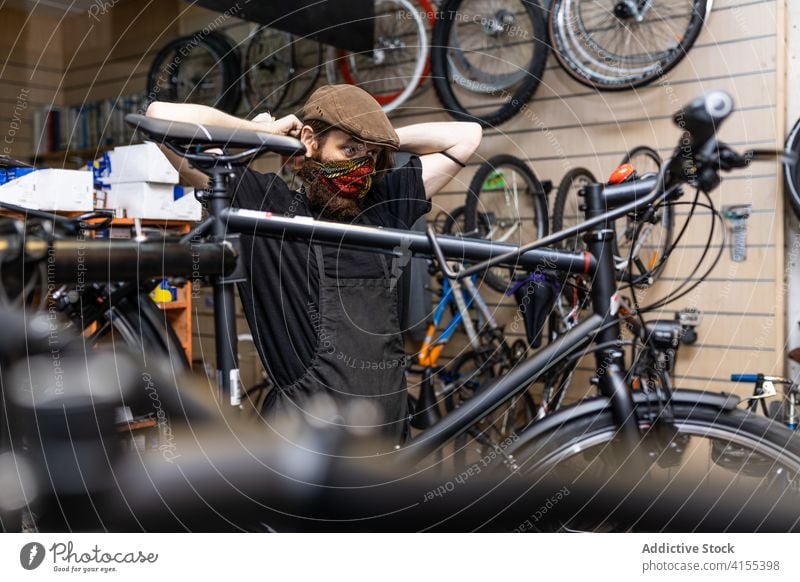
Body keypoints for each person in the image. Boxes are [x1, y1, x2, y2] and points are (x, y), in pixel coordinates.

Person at [146, 85, 482, 446]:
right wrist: (264, 132)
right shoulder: (266, 209)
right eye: (349, 148)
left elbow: (466, 136)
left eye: (370, 155)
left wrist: (378, 134)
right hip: (303, 457)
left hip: (386, 450)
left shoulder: (383, 206)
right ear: (310, 140)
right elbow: (159, 118)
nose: (361, 167)